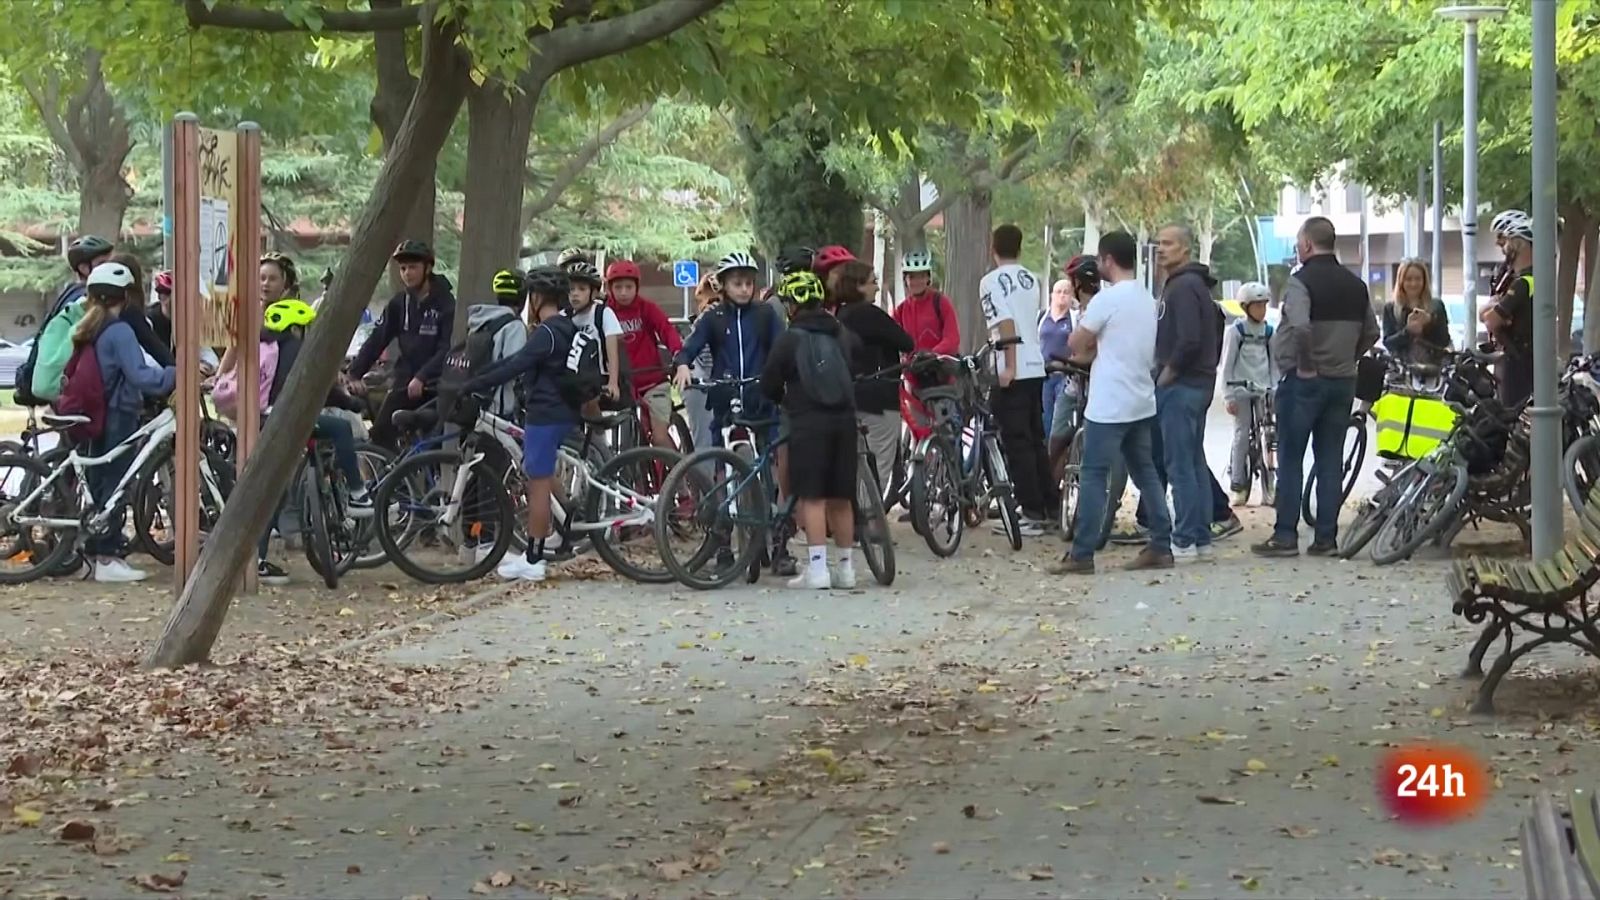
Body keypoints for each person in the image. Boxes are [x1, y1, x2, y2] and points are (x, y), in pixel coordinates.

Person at [1253, 216, 1379, 557]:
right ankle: (1326, 538)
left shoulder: (1300, 283)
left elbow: (1302, 328)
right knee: (1329, 460)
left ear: (1307, 244)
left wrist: (1308, 364)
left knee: (1292, 458)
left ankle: (1285, 536)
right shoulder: (1356, 286)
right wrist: (1347, 358)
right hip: (1342, 383)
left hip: (1304, 382)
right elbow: (1372, 332)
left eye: (1298, 243)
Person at [1049, 232, 1173, 575]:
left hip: (1109, 403)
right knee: (1145, 472)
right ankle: (1161, 544)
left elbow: (1076, 342)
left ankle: (1082, 552)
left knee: (1093, 475)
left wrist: (1089, 345)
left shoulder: (1107, 300)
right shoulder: (1146, 298)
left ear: (1107, 260)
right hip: (1141, 400)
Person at [463, 266, 582, 583]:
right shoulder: (566, 328)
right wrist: (483, 377)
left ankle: (533, 558)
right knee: (539, 472)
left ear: (538, 296)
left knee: (537, 485)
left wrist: (474, 382)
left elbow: (516, 364)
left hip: (545, 414)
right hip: (562, 411)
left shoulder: (546, 332)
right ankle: (570, 512)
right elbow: (515, 362)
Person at [250, 297, 374, 584]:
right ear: (298, 327)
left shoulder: (267, 347)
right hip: (293, 422)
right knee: (341, 429)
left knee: (275, 493)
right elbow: (320, 388)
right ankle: (357, 493)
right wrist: (353, 405)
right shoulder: (297, 350)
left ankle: (257, 558)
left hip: (265, 422)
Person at [74, 262, 178, 583]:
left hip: (96, 411)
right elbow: (140, 375)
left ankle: (95, 553)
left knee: (100, 480)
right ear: (126, 296)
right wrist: (175, 373)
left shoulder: (92, 325)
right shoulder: (119, 330)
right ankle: (108, 557)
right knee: (116, 483)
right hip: (118, 412)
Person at [760, 270, 863, 590]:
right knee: (841, 497)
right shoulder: (842, 333)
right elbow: (855, 365)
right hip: (845, 420)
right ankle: (846, 569)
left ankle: (818, 570)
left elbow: (769, 384)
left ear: (793, 305)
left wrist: (784, 399)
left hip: (808, 422)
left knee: (813, 498)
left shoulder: (790, 338)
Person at [1152, 224, 1226, 564]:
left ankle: (1183, 538)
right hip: (1199, 382)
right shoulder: (1195, 287)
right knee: (1194, 461)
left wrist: (1169, 372)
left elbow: (1190, 337)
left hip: (1182, 385)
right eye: (1158, 244)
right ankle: (1200, 536)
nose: (1160, 249)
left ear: (1184, 249)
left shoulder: (1182, 288)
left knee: (1179, 464)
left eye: (1168, 244)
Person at [980, 224, 1057, 535]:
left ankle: (1031, 510)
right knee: (1035, 440)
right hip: (1035, 365)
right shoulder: (1031, 279)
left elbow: (1004, 322)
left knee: (1017, 443)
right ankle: (1049, 503)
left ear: (992, 247)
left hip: (1013, 366)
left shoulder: (990, 281)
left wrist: (1007, 366)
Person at [347, 240, 456, 450]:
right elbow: (378, 338)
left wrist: (423, 376)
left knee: (433, 443)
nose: (407, 273)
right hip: (405, 381)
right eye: (403, 268)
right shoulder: (399, 303)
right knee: (380, 434)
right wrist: (354, 372)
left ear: (428, 267)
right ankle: (396, 481)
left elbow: (447, 348)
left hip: (435, 385)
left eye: (413, 267)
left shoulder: (446, 303)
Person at [672, 251, 784, 438]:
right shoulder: (713, 316)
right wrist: (682, 364)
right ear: (723, 285)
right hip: (724, 398)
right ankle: (723, 468)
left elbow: (783, 346)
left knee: (769, 451)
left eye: (748, 283)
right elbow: (690, 347)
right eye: (737, 284)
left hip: (761, 396)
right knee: (723, 453)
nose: (744, 289)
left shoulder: (765, 313)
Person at [833, 260, 913, 487]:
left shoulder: (840, 315)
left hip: (850, 398)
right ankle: (869, 520)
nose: (877, 287)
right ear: (857, 286)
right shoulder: (870, 315)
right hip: (878, 399)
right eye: (873, 282)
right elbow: (906, 342)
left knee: (855, 469)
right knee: (877, 471)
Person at [606, 259, 684, 449]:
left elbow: (666, 330)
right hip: (623, 387)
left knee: (659, 438)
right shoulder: (604, 312)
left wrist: (679, 357)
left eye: (628, 287)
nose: (624, 292)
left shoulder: (646, 308)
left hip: (654, 384)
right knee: (625, 444)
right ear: (609, 288)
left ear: (637, 287)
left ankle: (681, 476)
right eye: (618, 287)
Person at [892, 250, 960, 451]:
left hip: (941, 379)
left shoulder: (941, 302)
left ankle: (953, 475)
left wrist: (932, 354)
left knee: (948, 435)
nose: (916, 281)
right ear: (905, 279)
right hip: (914, 382)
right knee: (920, 436)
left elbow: (952, 338)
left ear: (928, 277)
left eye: (921, 275)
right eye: (912, 277)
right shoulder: (901, 309)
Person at [1223, 282, 1277, 506]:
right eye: (1257, 306)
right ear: (1245, 307)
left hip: (1263, 389)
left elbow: (1275, 364)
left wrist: (1275, 389)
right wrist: (1228, 395)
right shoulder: (1236, 332)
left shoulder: (1269, 332)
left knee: (1270, 436)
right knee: (1242, 435)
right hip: (1241, 390)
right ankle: (1238, 485)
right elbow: (1226, 364)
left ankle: (1270, 485)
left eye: (1264, 305)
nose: (1261, 310)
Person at [1048, 257, 1101, 470]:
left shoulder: (1097, 311)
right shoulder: (1080, 313)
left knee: (1058, 445)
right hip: (1075, 387)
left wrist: (1061, 363)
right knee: (1057, 443)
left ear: (1079, 283)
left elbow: (1088, 352)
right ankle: (1054, 496)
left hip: (1092, 388)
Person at [1481, 209, 1536, 405]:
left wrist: (1492, 315)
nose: (1500, 246)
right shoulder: (1515, 278)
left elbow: (1490, 319)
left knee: (1511, 416)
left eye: (1503, 240)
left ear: (1518, 242)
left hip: (1518, 360)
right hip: (1515, 358)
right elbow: (1485, 314)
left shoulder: (1524, 282)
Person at [564, 261, 624, 411]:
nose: (575, 294)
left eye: (582, 289)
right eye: (571, 289)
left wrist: (613, 382)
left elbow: (612, 350)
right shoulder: (565, 316)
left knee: (590, 407)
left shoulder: (602, 313)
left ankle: (598, 434)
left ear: (595, 293)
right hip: (572, 378)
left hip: (598, 377)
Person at [1381, 258, 1450, 366]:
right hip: (1402, 369)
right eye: (1408, 279)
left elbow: (1444, 341)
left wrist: (1430, 323)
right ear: (1401, 281)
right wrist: (1408, 332)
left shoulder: (1436, 307)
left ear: (1424, 281)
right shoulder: (1391, 309)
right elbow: (1388, 343)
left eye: (1418, 279)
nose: (1413, 284)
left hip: (1433, 368)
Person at [1040, 272, 1077, 434]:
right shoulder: (1041, 318)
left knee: (1059, 422)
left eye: (1066, 292)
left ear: (1072, 296)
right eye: (1058, 292)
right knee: (1044, 419)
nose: (1062, 295)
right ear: (1051, 295)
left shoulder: (1074, 320)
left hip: (1064, 377)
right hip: (1043, 377)